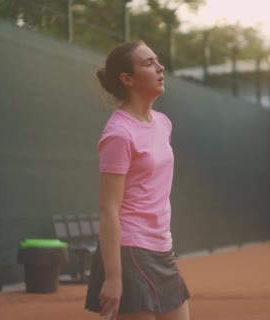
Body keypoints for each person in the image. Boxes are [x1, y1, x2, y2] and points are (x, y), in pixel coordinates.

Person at [84, 41, 190, 320]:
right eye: (148, 63)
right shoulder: (119, 134)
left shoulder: (163, 123)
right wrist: (114, 278)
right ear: (127, 79)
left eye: (157, 60)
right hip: (130, 250)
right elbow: (109, 209)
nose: (160, 67)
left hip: (161, 247)